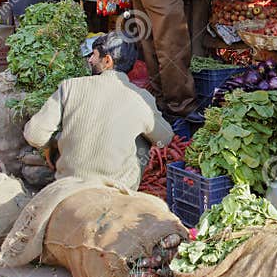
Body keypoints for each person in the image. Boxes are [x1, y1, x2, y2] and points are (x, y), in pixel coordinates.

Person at [23, 32, 173, 191]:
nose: (89, 60)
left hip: (70, 184)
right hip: (117, 188)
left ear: (107, 60)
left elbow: (34, 134)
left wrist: (51, 146)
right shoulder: (141, 97)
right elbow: (165, 138)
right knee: (146, 135)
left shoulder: (70, 87)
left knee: (63, 131)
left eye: (94, 56)